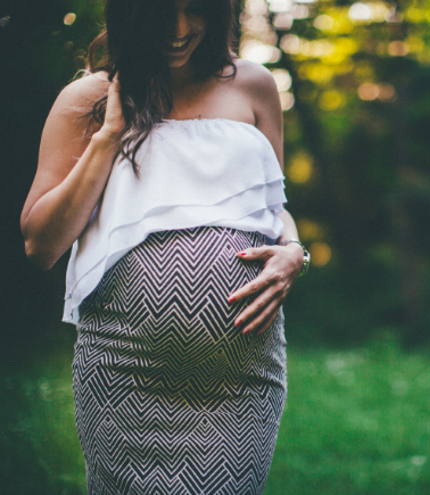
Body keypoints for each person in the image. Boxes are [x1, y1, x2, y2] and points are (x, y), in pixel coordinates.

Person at [20, 0, 309, 492]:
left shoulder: (254, 86)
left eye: (195, 9)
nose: (178, 29)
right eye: (160, 12)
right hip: (124, 366)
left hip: (240, 378)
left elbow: (268, 204)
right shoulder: (88, 97)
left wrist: (293, 250)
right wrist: (109, 136)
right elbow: (40, 243)